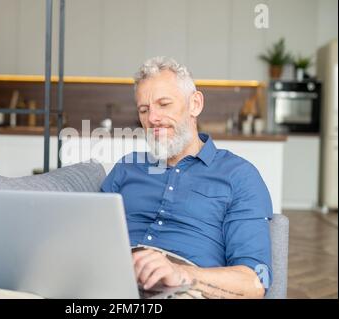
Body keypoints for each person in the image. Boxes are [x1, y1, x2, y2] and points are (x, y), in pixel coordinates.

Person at [100, 56, 273, 299]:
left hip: (184, 289)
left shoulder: (239, 176)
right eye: (144, 110)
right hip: (110, 281)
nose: (153, 119)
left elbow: (255, 282)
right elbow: (91, 238)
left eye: (164, 104)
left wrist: (182, 274)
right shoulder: (127, 168)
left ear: (195, 104)